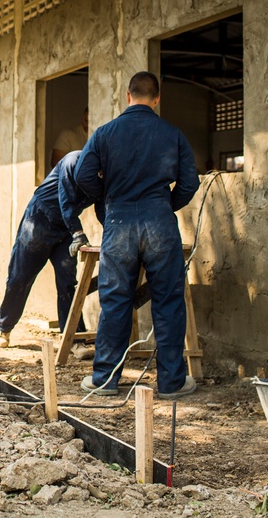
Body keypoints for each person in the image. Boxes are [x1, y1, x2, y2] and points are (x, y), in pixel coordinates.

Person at [74, 72, 199, 399]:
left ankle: (105, 380)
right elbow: (190, 182)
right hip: (160, 223)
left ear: (127, 96)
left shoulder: (104, 133)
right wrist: (165, 205)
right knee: (169, 302)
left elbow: (83, 174)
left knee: (115, 301)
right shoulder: (172, 134)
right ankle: (172, 383)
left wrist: (107, 199)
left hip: (119, 223)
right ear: (156, 99)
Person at [0, 150, 104, 348]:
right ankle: (4, 328)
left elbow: (103, 207)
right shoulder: (73, 162)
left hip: (66, 228)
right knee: (21, 277)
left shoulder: (107, 172)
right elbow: (66, 201)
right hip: (40, 220)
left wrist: (112, 231)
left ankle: (74, 339)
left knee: (68, 283)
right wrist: (78, 233)